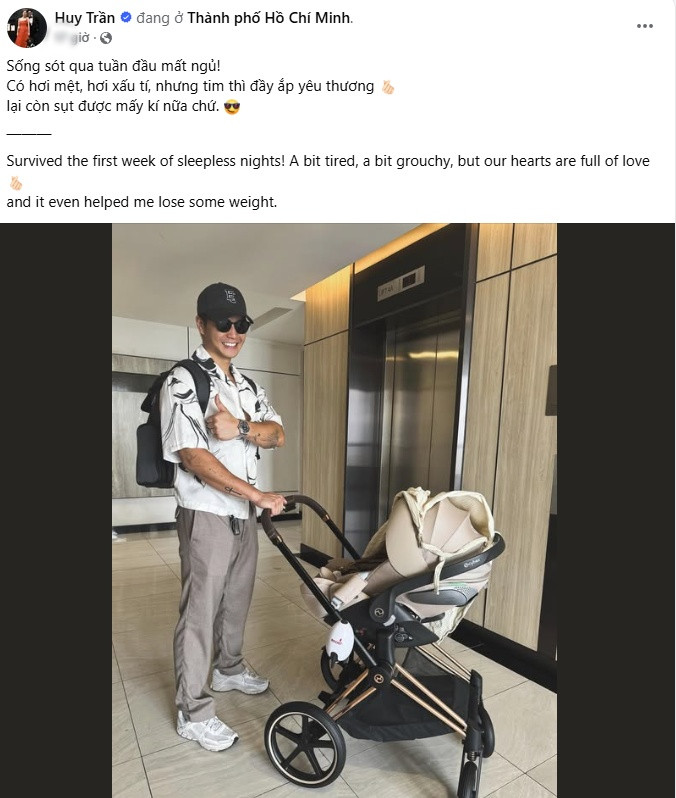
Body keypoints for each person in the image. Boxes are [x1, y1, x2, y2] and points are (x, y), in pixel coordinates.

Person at [159, 282, 287, 752]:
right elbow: (193, 457)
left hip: (242, 515)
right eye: (223, 323)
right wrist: (257, 494)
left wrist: (242, 427)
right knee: (200, 611)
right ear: (201, 324)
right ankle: (192, 712)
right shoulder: (183, 380)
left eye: (241, 324)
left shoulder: (247, 387)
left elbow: (278, 434)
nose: (233, 332)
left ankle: (228, 668)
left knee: (236, 598)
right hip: (206, 513)